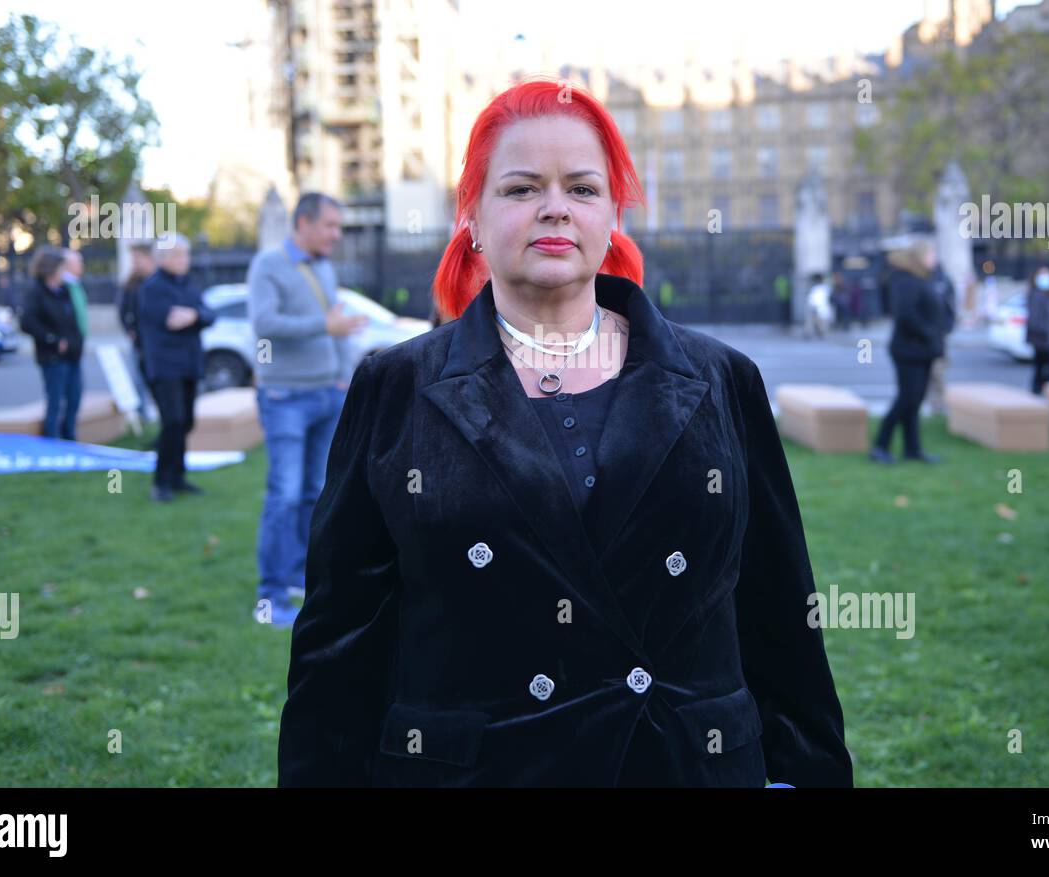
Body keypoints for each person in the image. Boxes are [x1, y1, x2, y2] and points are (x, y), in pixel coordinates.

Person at [277, 79, 852, 788]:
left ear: (612, 216)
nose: (555, 206)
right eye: (521, 189)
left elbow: (779, 615)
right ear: (475, 221)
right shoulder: (395, 387)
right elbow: (341, 643)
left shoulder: (720, 378)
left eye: (582, 188)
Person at [247, 193, 369, 627]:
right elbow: (264, 324)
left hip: (326, 394)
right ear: (303, 222)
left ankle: (300, 575)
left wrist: (341, 375)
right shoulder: (269, 264)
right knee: (283, 493)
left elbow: (334, 327)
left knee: (315, 492)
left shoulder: (323, 266)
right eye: (330, 226)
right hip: (285, 398)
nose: (336, 235)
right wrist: (326, 326)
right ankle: (270, 597)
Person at [137, 235, 216, 503]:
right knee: (172, 422)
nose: (185, 260)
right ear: (163, 258)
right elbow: (170, 320)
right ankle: (161, 483)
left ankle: (178, 477)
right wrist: (195, 316)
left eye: (186, 254)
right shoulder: (153, 288)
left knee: (186, 422)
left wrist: (194, 315)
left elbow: (208, 314)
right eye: (179, 255)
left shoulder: (189, 284)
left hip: (189, 365)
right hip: (165, 367)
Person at [870, 240, 950, 465]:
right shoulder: (906, 281)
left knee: (914, 402)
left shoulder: (922, 279)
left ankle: (912, 449)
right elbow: (906, 315)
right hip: (910, 351)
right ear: (919, 257)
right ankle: (880, 446)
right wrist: (930, 334)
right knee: (906, 399)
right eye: (931, 253)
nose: (935, 258)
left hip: (921, 351)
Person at [20, 246, 84, 440]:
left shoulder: (64, 290)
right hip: (53, 356)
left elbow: (73, 319)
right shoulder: (36, 293)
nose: (64, 274)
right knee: (55, 401)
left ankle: (69, 437)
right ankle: (52, 441)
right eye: (61, 270)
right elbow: (27, 323)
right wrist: (52, 340)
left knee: (74, 398)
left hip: (73, 354)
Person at [117, 242, 159, 428]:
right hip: (140, 342)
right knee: (139, 379)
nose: (134, 263)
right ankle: (143, 415)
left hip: (159, 342)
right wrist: (129, 329)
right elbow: (122, 309)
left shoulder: (160, 279)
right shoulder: (131, 284)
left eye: (137, 259)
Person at [924, 262, 956, 416]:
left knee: (936, 371)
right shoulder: (921, 278)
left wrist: (947, 327)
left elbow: (950, 305)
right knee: (929, 373)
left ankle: (939, 403)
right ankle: (935, 402)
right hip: (926, 333)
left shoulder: (942, 280)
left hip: (938, 334)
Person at [1025, 265, 1049, 394]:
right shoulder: (1035, 295)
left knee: (1044, 367)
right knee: (1043, 366)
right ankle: (1039, 390)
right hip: (1041, 339)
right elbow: (1035, 319)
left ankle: (1041, 389)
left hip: (1047, 338)